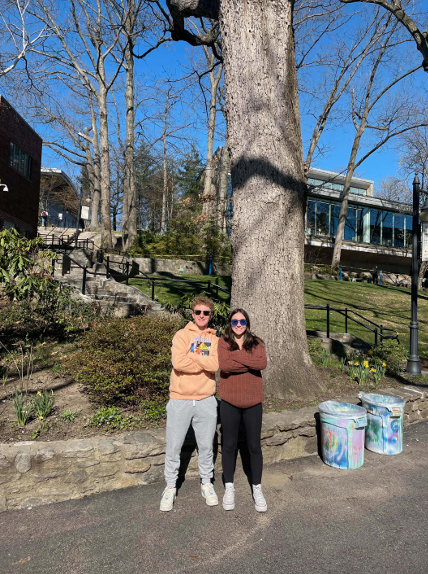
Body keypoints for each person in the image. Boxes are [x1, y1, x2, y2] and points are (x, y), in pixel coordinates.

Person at [160, 296, 219, 512]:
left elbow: (215, 364)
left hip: (206, 400)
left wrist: (192, 357)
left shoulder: (215, 340)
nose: (202, 316)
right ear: (192, 314)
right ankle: (170, 486)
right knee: (174, 446)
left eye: (206, 313)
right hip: (180, 399)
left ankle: (207, 483)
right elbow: (178, 362)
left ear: (211, 315)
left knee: (206, 446)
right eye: (198, 312)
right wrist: (203, 362)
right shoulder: (181, 335)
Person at [218, 309, 267, 512]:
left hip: (253, 403)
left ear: (247, 323)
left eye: (242, 321)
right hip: (229, 402)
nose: (238, 324)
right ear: (230, 323)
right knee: (229, 445)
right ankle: (229, 487)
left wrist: (236, 357)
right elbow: (225, 366)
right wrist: (248, 361)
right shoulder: (223, 342)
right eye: (235, 321)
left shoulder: (257, 342)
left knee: (254, 446)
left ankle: (257, 487)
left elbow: (262, 363)